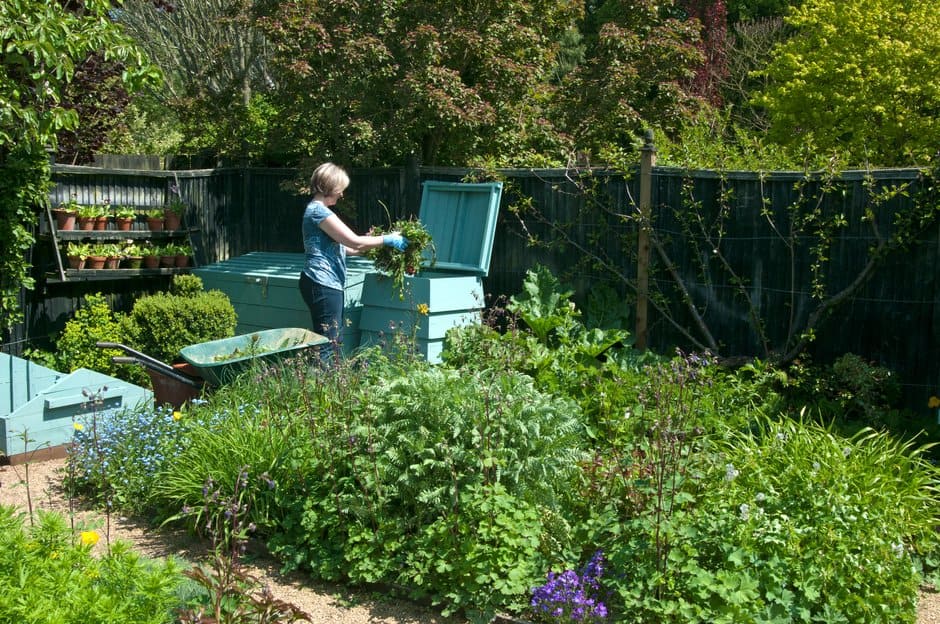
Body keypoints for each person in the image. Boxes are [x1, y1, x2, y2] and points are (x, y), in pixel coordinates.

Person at [299, 162, 407, 365]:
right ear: (330, 186)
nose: (342, 195)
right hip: (323, 282)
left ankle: (325, 385)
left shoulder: (316, 211)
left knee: (332, 340)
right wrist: (388, 239)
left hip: (321, 282)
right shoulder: (319, 212)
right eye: (340, 189)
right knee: (328, 343)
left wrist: (375, 246)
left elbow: (348, 248)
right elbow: (354, 241)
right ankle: (321, 388)